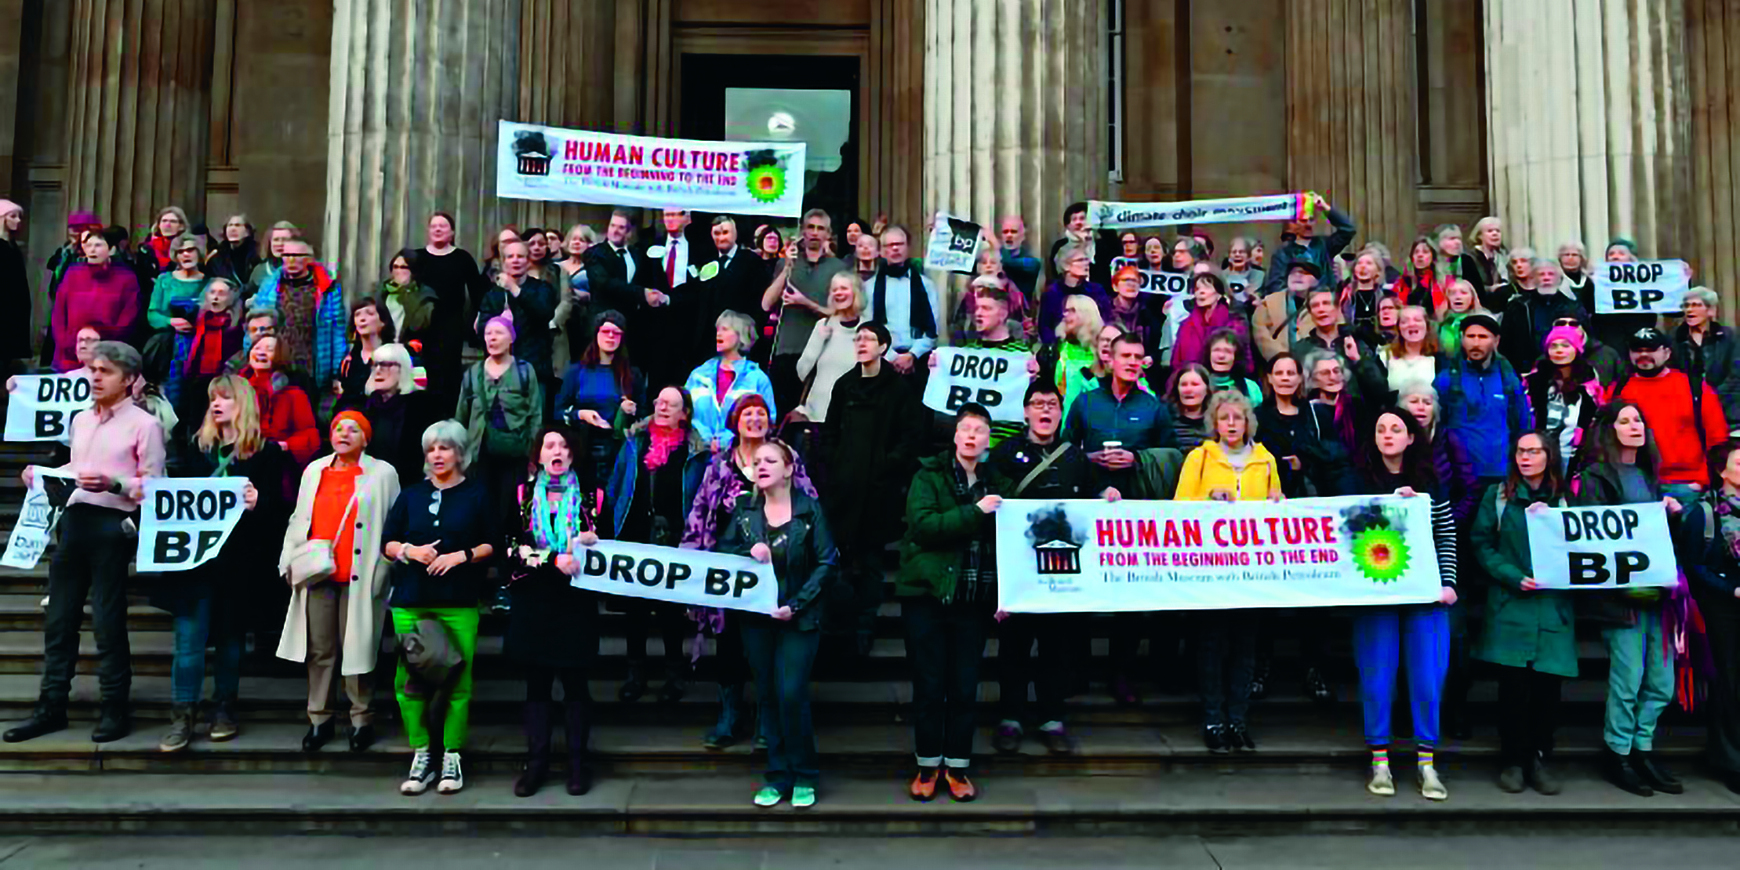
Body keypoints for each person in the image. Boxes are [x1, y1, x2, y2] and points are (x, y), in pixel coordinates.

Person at [2, 343, 165, 745]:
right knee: (59, 619)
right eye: (92, 369)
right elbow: (76, 468)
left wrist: (116, 484)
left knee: (108, 621)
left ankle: (114, 707)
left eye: (104, 371)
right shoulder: (80, 420)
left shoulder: (145, 425)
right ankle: (51, 705)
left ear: (128, 380)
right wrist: (44, 473)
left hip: (112, 523)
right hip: (74, 521)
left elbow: (158, 486)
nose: (94, 377)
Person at [155, 374, 290, 752]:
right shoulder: (197, 448)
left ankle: (223, 708)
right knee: (188, 643)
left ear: (242, 403)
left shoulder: (266, 453)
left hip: (239, 563)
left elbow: (282, 512)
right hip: (194, 563)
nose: (217, 404)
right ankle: (183, 714)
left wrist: (259, 503)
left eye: (225, 398)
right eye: (214, 398)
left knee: (231, 641)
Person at [682, 394, 819, 749]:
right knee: (729, 643)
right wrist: (691, 560)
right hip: (729, 567)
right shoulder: (719, 464)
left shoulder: (786, 458)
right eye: (747, 413)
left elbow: (809, 504)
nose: (755, 419)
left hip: (778, 568)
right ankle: (729, 715)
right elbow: (699, 511)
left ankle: (767, 718)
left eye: (761, 413)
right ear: (735, 421)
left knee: (770, 643)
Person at [1568, 402, 1686, 797]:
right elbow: (1595, 533)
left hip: (1656, 596)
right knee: (1628, 680)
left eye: (1638, 420)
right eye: (1624, 420)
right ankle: (1617, 752)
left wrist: (1669, 511)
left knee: (1661, 682)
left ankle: (1642, 748)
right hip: (1622, 598)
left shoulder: (1650, 476)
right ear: (1609, 429)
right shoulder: (1595, 477)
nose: (1634, 426)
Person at [717, 439, 837, 809]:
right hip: (757, 620)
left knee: (790, 692)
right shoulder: (744, 510)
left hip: (799, 619)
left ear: (788, 469)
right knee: (767, 695)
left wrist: (797, 604)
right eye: (757, 461)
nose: (762, 465)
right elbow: (721, 554)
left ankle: (805, 773)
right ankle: (777, 774)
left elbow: (827, 561)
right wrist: (745, 552)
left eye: (771, 460)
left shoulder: (809, 509)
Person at [900, 404, 1011, 803]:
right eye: (965, 429)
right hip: (928, 596)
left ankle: (958, 766)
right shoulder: (928, 476)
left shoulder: (997, 481)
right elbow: (924, 527)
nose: (971, 436)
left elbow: (1009, 541)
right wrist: (974, 512)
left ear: (987, 440)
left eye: (979, 431)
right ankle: (927, 765)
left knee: (964, 687)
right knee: (930, 686)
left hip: (973, 600)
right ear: (954, 435)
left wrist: (1006, 593)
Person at [382, 421, 497, 796]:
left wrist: (459, 556)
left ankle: (451, 755)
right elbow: (388, 541)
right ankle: (422, 751)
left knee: (457, 681)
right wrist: (409, 551)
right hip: (411, 598)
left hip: (457, 598)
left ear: (460, 453)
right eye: (431, 449)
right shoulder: (411, 495)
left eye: (444, 448)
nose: (437, 456)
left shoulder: (477, 494)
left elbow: (491, 543)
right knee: (409, 682)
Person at [1350, 408, 1459, 800]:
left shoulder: (1430, 482)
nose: (1388, 435)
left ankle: (1427, 765)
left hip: (1425, 596)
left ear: (1411, 437)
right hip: (1375, 596)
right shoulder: (1358, 480)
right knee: (1377, 678)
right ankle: (1380, 761)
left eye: (1396, 428)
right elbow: (1344, 533)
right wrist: (1383, 505)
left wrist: (1448, 583)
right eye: (1380, 429)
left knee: (1428, 678)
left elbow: (1446, 534)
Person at [276, 411, 400, 753]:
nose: (344, 433)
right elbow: (299, 518)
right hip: (318, 573)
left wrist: (386, 567)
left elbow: (395, 522)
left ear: (366, 438)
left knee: (359, 647)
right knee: (320, 649)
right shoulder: (314, 470)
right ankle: (320, 718)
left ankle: (362, 719)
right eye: (338, 428)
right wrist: (289, 560)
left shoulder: (383, 473)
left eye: (353, 429)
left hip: (361, 576)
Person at [989, 380, 1101, 755]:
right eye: (1037, 403)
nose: (1045, 410)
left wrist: (1107, 496)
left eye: (1052, 403)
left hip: (1061, 572)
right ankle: (1011, 718)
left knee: (1057, 648)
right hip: (1019, 571)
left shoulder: (1074, 457)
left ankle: (1053, 718)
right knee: (1015, 649)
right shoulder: (1004, 453)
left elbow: (1093, 501)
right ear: (1025, 412)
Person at [1175, 390, 1280, 752]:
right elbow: (1179, 508)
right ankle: (1213, 719)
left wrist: (1277, 504)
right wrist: (1208, 501)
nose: (1232, 424)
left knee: (1245, 649)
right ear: (1214, 423)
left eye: (1237, 417)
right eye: (1225, 418)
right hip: (1211, 571)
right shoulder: (1199, 458)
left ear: (1248, 421)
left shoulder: (1266, 460)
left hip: (1252, 573)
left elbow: (1276, 506)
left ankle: (1238, 720)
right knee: (1212, 646)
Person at [1471, 430, 1572, 795]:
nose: (1525, 458)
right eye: (1520, 451)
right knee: (1513, 691)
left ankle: (1538, 757)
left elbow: (1583, 544)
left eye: (1534, 451)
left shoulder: (1564, 497)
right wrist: (1513, 577)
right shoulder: (1498, 496)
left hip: (1552, 608)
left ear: (1549, 456)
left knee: (1548, 691)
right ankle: (1513, 759)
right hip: (1511, 604)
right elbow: (1481, 544)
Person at [506, 426, 603, 798]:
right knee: (537, 684)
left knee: (576, 683)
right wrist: (551, 560)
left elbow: (609, 545)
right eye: (550, 445)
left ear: (573, 454)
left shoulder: (593, 496)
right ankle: (537, 763)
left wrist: (595, 541)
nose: (557, 451)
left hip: (576, 599)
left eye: (563, 445)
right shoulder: (521, 494)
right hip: (535, 595)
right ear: (539, 454)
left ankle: (578, 764)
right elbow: (511, 546)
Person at [822, 322, 925, 656]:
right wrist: (837, 466)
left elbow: (910, 437)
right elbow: (830, 433)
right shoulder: (844, 385)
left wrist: (887, 465)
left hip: (879, 492)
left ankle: (864, 630)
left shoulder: (898, 388)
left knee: (870, 565)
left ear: (883, 347)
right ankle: (839, 631)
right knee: (839, 564)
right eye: (858, 338)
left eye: (868, 338)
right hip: (844, 490)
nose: (861, 343)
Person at [605, 386, 709, 703]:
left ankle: (674, 675)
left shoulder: (697, 451)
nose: (662, 407)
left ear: (684, 413)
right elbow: (615, 486)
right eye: (659, 402)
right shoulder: (635, 441)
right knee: (635, 611)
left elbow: (703, 499)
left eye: (670, 404)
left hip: (675, 539)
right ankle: (635, 674)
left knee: (670, 611)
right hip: (636, 534)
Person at [1610, 327, 1727, 499]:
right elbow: (1604, 437)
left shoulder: (1694, 387)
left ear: (1667, 353)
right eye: (1638, 350)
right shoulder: (1618, 390)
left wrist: (1701, 480)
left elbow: (1717, 438)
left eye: (1651, 349)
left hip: (1686, 484)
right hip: (1637, 483)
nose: (1643, 354)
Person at [1065, 332, 1178, 495]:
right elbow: (1065, 451)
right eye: (1126, 356)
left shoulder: (1154, 407)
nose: (1132, 362)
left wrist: (1137, 459)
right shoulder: (1085, 402)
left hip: (1138, 501)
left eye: (1138, 357)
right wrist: (1089, 458)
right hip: (1092, 498)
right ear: (1110, 361)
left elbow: (1172, 457)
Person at [761, 209, 847, 414]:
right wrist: (787, 267)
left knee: (817, 416)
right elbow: (766, 303)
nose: (815, 233)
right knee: (784, 414)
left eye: (820, 228)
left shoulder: (838, 267)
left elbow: (839, 315)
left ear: (828, 233)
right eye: (810, 227)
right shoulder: (786, 262)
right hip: (786, 349)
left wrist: (805, 302)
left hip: (822, 351)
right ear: (802, 231)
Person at [457, 316, 543, 520]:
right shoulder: (472, 374)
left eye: (498, 333)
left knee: (510, 508)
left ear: (511, 338)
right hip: (479, 454)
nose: (492, 338)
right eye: (488, 334)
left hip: (515, 452)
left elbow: (535, 414)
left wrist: (534, 454)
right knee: (480, 508)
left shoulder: (524, 371)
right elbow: (461, 414)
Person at [1433, 313, 1531, 487]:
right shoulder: (1447, 378)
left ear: (1496, 341)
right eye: (1471, 336)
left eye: (1483, 337)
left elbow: (1523, 422)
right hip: (1459, 474)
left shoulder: (1508, 378)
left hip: (1501, 472)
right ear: (1462, 339)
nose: (1476, 343)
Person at [1692, 441, 1740, 795]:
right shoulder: (1706, 512)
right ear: (1722, 470)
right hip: (1724, 606)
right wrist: (1730, 590)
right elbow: (1694, 564)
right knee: (1730, 680)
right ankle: (1730, 759)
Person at [555, 310, 643, 490]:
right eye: (605, 331)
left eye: (616, 333)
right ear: (596, 334)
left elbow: (644, 414)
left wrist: (632, 412)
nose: (610, 336)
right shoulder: (576, 371)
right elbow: (557, 412)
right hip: (582, 447)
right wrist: (580, 414)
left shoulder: (632, 375)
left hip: (618, 450)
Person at [410, 213, 487, 409]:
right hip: (421, 326)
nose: (437, 229)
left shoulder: (462, 258)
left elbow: (477, 292)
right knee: (420, 373)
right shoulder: (416, 258)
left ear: (452, 232)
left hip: (451, 326)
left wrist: (479, 318)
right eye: (434, 226)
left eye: (443, 226)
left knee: (447, 375)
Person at [253, 237, 347, 389]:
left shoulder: (327, 288)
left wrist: (337, 372)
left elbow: (337, 330)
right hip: (275, 365)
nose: (290, 260)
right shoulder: (270, 285)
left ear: (309, 259)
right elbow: (255, 323)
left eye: (297, 256)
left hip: (311, 369)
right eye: (286, 255)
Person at [475, 239, 560, 405]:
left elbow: (544, 313)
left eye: (520, 256)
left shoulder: (542, 289)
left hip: (534, 370)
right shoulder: (493, 295)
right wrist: (498, 325)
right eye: (510, 257)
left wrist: (515, 289)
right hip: (500, 372)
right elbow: (481, 329)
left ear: (528, 261)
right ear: (503, 262)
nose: (515, 260)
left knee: (535, 426)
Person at [1256, 352, 1349, 498]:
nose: (1285, 378)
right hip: (1269, 498)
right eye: (1279, 373)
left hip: (1313, 499)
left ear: (1300, 378)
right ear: (1270, 378)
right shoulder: (1257, 417)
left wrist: (1304, 462)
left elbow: (1335, 460)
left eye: (1291, 373)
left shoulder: (1317, 414)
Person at [50, 229, 141, 372]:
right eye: (88, 245)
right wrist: (66, 342)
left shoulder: (126, 278)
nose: (92, 250)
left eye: (98, 245)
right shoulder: (72, 273)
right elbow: (59, 312)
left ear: (111, 250)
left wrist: (107, 343)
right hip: (70, 352)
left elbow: (129, 315)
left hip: (109, 352)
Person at [686, 310, 777, 452]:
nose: (718, 334)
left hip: (737, 455)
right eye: (717, 330)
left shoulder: (757, 378)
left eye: (725, 329)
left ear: (740, 336)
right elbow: (685, 412)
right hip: (696, 454)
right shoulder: (698, 375)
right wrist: (704, 439)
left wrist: (726, 441)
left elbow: (768, 420)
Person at [343, 342, 431, 487]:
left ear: (402, 369)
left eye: (386, 365)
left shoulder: (420, 407)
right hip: (369, 486)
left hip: (409, 485)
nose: (378, 370)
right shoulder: (365, 407)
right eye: (375, 365)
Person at [868, 226, 943, 380]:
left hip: (919, 361)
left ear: (908, 248)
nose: (895, 249)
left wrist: (912, 355)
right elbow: (868, 327)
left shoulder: (926, 285)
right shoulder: (869, 288)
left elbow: (932, 328)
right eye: (890, 245)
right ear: (881, 251)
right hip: (882, 360)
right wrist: (890, 357)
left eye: (900, 244)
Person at [794, 270, 867, 424]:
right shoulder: (822, 325)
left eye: (843, 288)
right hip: (819, 415)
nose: (838, 293)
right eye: (834, 289)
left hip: (855, 417)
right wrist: (819, 340)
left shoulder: (869, 329)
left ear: (856, 292)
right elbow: (802, 372)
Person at [1523, 326, 1601, 470]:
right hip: (1538, 454)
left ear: (1577, 349)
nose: (1559, 351)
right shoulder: (1534, 382)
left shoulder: (1589, 384)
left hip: (1575, 457)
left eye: (1565, 345)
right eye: (1553, 346)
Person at [172, 278, 244, 427]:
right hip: (195, 377)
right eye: (212, 292)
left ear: (231, 297)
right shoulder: (197, 319)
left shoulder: (237, 326)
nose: (216, 297)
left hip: (224, 380)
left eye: (221, 293)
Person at [242, 335, 321, 466]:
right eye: (257, 348)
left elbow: (309, 435)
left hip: (276, 463)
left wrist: (283, 446)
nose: (261, 352)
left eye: (269, 349)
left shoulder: (294, 395)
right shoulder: (237, 389)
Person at [1258, 194, 1356, 298]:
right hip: (1295, 305)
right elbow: (1276, 286)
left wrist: (1325, 209)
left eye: (1311, 220)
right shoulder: (1283, 253)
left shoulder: (1324, 245)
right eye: (1303, 220)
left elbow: (1348, 230)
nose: (1308, 225)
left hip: (1324, 300)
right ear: (1293, 224)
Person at [1499, 258, 1585, 373]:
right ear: (1533, 279)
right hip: (1526, 371)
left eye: (1551, 274)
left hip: (1565, 372)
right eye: (1541, 274)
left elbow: (1584, 339)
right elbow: (1505, 344)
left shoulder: (1573, 307)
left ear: (1559, 279)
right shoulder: (1518, 306)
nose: (1546, 278)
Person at [1670, 287, 1740, 427]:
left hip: (1725, 411)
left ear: (1710, 311)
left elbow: (1736, 374)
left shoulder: (1729, 338)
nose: (1690, 310)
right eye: (1686, 306)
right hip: (1685, 413)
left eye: (1696, 305)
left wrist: (1710, 399)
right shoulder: (1674, 340)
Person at [376, 249, 441, 382]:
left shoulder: (424, 296)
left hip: (413, 355)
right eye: (395, 267)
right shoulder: (383, 293)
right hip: (385, 352)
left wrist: (407, 295)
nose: (399, 271)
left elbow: (421, 323)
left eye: (404, 267)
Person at [1038, 245, 1110, 345]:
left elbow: (1107, 321)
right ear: (1065, 265)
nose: (1086, 264)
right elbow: (1045, 328)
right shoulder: (1051, 294)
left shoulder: (1096, 291)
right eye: (1080, 260)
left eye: (1086, 260)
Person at [334, 297, 394, 412]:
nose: (362, 319)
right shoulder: (348, 362)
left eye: (369, 314)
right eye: (357, 315)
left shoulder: (393, 357)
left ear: (383, 322)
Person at [1254, 261, 1322, 361]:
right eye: (1292, 273)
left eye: (1304, 272)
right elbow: (1261, 334)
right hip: (1277, 367)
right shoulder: (1268, 304)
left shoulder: (1325, 304)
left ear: (1316, 280)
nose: (1297, 275)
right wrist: (1284, 360)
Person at [1055, 295, 1107, 421]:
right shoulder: (1057, 350)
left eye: (1072, 311)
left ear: (1087, 316)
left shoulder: (1101, 354)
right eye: (1065, 310)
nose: (1065, 315)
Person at [146, 233, 209, 334]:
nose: (185, 254)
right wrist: (170, 321)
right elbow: (152, 315)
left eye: (190, 250)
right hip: (169, 338)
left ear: (199, 253)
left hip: (200, 338)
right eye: (180, 251)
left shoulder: (210, 282)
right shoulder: (164, 280)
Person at [554, 224, 598, 365]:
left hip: (582, 324)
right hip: (560, 323)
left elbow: (598, 295)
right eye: (573, 239)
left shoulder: (594, 269)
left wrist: (583, 295)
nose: (576, 243)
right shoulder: (555, 267)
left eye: (582, 240)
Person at [0, 200, 28, 366]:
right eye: (13, 216)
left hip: (13, 308)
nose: (18, 220)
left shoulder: (12, 246)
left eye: (19, 217)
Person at [1203, 329, 1262, 404]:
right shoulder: (1198, 385)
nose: (1221, 356)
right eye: (1216, 350)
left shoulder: (1251, 389)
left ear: (1236, 356)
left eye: (1228, 351)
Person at [1398, 236, 1452, 316]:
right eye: (1416, 252)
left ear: (1433, 257)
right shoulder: (1404, 281)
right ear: (1412, 258)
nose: (1420, 255)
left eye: (1425, 252)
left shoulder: (1444, 282)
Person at [1164, 363, 1212, 451]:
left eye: (1195, 384)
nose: (1188, 389)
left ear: (1207, 389)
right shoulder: (1165, 419)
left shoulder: (1217, 421)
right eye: (1184, 385)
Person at [206, 214, 261, 289]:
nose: (233, 229)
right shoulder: (217, 257)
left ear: (248, 231)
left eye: (237, 225)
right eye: (230, 225)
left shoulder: (258, 253)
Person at [247, 221, 299, 299]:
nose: (279, 244)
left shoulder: (303, 269)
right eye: (276, 240)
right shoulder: (259, 270)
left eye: (285, 240)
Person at [136, 206, 190, 279]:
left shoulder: (189, 249)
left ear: (181, 226)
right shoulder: (146, 250)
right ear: (158, 225)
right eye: (164, 221)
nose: (167, 225)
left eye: (173, 221)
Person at [1436, 279, 1485, 358]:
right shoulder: (1441, 325)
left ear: (1472, 298)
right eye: (1452, 293)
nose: (1458, 297)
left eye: (1463, 293)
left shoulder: (1483, 324)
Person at [997, 215, 1043, 299]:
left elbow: (1008, 263)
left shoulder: (1031, 263)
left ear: (1022, 236)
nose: (1009, 235)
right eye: (1005, 232)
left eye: (1013, 232)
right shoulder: (994, 256)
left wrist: (995, 247)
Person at [1468, 216, 1508, 302]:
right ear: (1479, 236)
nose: (1495, 234)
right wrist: (1490, 289)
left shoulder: (1503, 257)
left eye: (1498, 231)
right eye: (1490, 231)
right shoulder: (1470, 258)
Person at [1222, 236, 1264, 301]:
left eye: (1242, 252)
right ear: (1229, 256)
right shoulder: (1221, 276)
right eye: (1234, 252)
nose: (1237, 255)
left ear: (1248, 256)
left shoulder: (1259, 276)